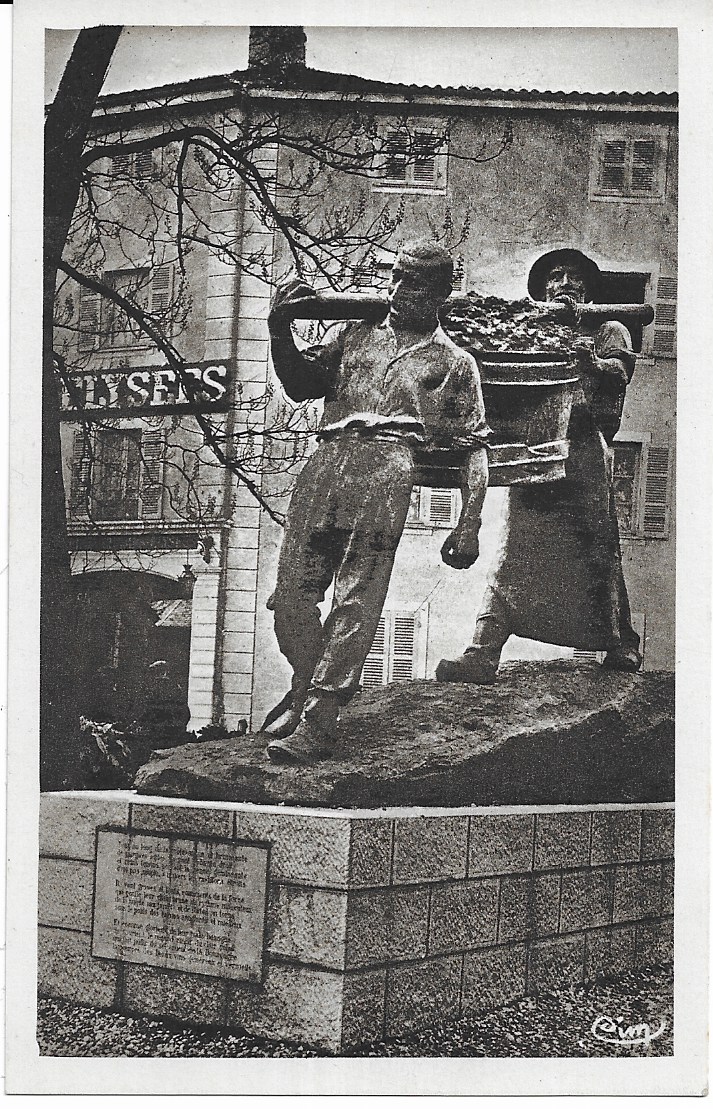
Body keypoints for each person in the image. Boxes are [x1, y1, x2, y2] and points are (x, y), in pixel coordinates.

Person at [263, 240, 491, 764]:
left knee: (357, 597)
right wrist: (280, 329)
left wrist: (469, 522)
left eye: (415, 283)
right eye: (396, 276)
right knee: (290, 598)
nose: (399, 289)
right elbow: (299, 385)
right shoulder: (353, 334)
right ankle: (305, 685)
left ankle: (320, 719)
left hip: (388, 466)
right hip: (327, 457)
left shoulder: (455, 362)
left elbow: (474, 447)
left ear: (441, 293)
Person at [437, 248, 642, 685]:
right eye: (556, 276)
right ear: (544, 288)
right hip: (536, 445)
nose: (564, 283)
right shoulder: (535, 329)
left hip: (583, 450)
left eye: (574, 277)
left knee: (597, 548)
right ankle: (483, 650)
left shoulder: (608, 328)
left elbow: (620, 371)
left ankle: (622, 642)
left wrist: (594, 363)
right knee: (515, 550)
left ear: (588, 288)